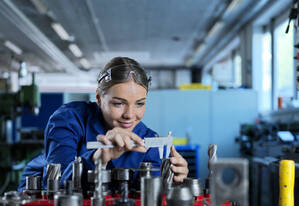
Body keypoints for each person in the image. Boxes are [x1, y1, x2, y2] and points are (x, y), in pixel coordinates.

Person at [18, 57, 188, 192]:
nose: (129, 115)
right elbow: (56, 182)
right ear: (99, 98)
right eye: (118, 104)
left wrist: (173, 179)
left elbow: (148, 193)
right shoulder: (68, 120)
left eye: (139, 104)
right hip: (39, 196)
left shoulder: (148, 140)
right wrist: (97, 160)